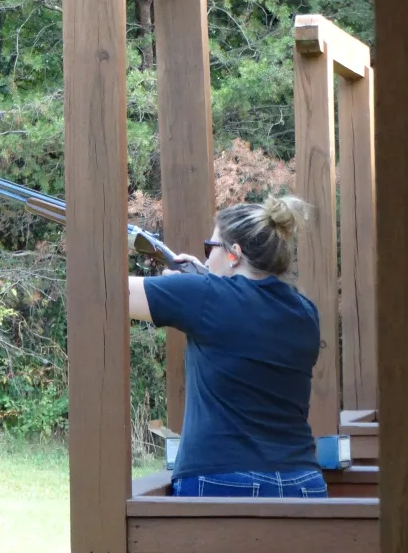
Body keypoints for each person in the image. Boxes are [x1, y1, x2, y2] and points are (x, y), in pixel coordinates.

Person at [126, 195, 327, 498]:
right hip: (303, 481)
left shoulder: (206, 296)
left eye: (211, 248)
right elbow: (244, 312)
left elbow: (110, 290)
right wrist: (199, 281)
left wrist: (192, 285)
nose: (206, 259)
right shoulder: (305, 312)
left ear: (234, 254)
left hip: (223, 478)